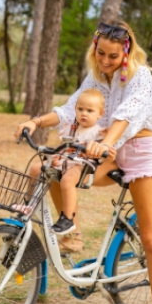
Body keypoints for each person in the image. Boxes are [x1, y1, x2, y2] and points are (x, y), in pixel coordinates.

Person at [15, 20, 152, 304]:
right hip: (106, 148)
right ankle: (70, 233)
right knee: (57, 168)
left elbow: (127, 116)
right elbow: (71, 110)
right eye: (100, 53)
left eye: (112, 56)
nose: (104, 61)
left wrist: (105, 142)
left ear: (126, 51)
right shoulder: (97, 76)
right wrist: (35, 121)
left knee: (151, 236)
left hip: (143, 151)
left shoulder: (140, 76)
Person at [50, 88, 108, 243]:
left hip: (82, 165)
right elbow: (64, 147)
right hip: (67, 161)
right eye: (80, 109)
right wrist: (57, 157)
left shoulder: (98, 133)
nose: (84, 114)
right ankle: (28, 204)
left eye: (90, 110)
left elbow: (103, 152)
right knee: (39, 169)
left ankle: (68, 218)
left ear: (100, 114)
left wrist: (98, 149)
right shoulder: (72, 128)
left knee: (67, 181)